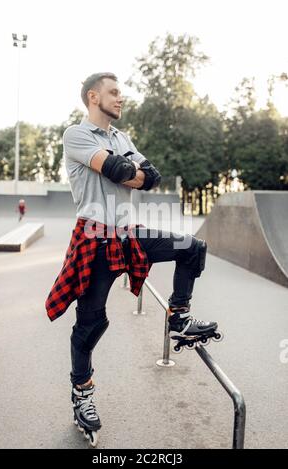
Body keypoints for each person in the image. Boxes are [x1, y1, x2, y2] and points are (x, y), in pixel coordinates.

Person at [45, 72, 219, 444]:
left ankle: (179, 318)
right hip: (94, 237)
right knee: (90, 326)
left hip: (128, 232)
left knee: (192, 247)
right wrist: (125, 171)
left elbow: (149, 177)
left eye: (120, 92)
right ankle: (83, 395)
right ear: (93, 97)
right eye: (113, 93)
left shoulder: (121, 138)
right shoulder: (75, 135)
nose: (121, 98)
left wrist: (128, 171)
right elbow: (119, 170)